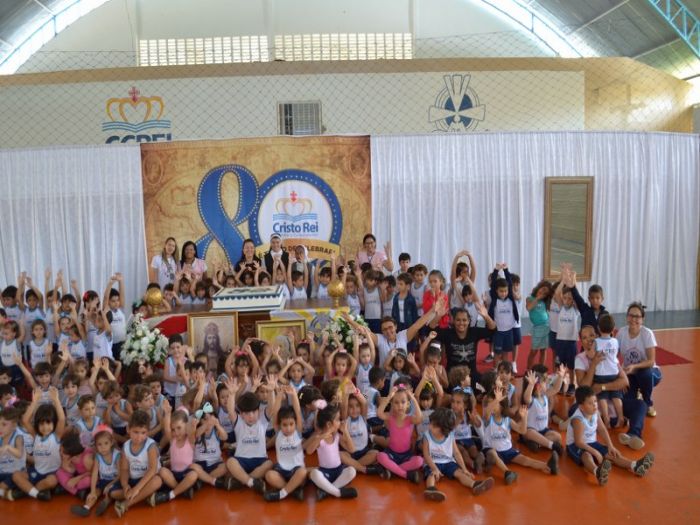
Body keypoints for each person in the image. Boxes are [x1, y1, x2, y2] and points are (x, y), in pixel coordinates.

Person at [574, 325, 648, 450]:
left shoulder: (608, 354)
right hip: (595, 405)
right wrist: (594, 364)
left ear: (597, 336)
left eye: (592, 335)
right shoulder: (580, 359)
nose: (589, 339)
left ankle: (632, 435)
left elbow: (624, 381)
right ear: (581, 341)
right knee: (577, 410)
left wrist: (602, 387)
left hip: (614, 400)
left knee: (641, 405)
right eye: (585, 337)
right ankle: (610, 421)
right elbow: (584, 387)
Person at [567, 386, 654, 486]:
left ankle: (635, 466)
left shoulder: (595, 412)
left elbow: (602, 429)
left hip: (592, 443)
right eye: (590, 403)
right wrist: (595, 452)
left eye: (595, 401)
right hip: (575, 446)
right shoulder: (578, 419)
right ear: (581, 407)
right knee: (587, 455)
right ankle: (597, 471)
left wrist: (610, 446)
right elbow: (578, 442)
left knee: (611, 453)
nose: (594, 405)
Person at [482, 386, 559, 484]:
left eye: (493, 403)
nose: (490, 405)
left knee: (526, 460)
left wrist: (524, 417)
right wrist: (496, 400)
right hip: (492, 451)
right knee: (493, 454)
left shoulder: (507, 420)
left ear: (501, 406)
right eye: (489, 403)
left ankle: (548, 466)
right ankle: (507, 472)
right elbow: (487, 411)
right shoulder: (488, 419)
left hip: (508, 450)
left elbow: (522, 431)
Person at [422, 407, 494, 502]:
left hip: (448, 462)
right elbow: (426, 454)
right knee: (431, 475)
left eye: (434, 425)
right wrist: (434, 468)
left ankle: (474, 484)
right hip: (432, 462)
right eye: (431, 423)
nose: (430, 426)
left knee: (460, 473)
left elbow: (456, 453)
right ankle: (431, 489)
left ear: (444, 429)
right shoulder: (427, 436)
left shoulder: (450, 436)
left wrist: (464, 469)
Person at [8, 387, 64, 501]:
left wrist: (56, 400)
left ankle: (27, 491)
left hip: (51, 473)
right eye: (41, 424)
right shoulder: (36, 435)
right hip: (36, 471)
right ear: (37, 424)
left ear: (54, 423)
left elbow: (62, 419)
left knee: (52, 481)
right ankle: (38, 493)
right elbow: (25, 420)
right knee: (16, 475)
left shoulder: (56, 436)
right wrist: (35, 401)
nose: (45, 427)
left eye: (48, 423)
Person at [109, 410, 163, 517]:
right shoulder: (126, 446)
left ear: (147, 432)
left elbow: (152, 470)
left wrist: (136, 489)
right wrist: (125, 486)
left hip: (147, 479)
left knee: (157, 481)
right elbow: (124, 469)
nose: (139, 437)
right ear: (128, 429)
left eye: (143, 433)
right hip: (133, 480)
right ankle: (145, 495)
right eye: (136, 432)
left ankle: (126, 504)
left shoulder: (150, 446)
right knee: (113, 493)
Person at [616, 302, 661, 417]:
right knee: (626, 401)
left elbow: (651, 361)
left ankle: (648, 402)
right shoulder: (621, 333)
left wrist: (634, 366)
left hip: (650, 372)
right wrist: (621, 375)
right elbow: (614, 357)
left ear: (642, 319)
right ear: (627, 317)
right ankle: (637, 395)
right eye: (631, 315)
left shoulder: (647, 334)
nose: (633, 319)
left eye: (637, 316)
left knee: (644, 374)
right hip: (630, 374)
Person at [264, 385, 308, 501]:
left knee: (303, 472)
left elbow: (297, 412)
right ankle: (292, 490)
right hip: (282, 470)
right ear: (279, 425)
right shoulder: (278, 433)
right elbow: (275, 413)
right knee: (269, 475)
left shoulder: (297, 432)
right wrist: (279, 395)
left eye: (291, 424)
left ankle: (282, 493)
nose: (288, 428)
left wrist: (293, 395)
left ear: (295, 423)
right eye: (284, 425)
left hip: (296, 469)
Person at [306, 403, 358, 500]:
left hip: (338, 471)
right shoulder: (319, 438)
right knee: (314, 474)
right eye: (338, 419)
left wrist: (346, 432)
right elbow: (309, 451)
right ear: (329, 424)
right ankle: (337, 492)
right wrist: (319, 438)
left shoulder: (337, 436)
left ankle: (326, 491)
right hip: (325, 472)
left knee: (352, 471)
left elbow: (352, 449)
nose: (340, 421)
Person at [431, 306, 496, 384]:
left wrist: (486, 316)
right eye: (458, 320)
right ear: (453, 321)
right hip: (452, 377)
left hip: (471, 376)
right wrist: (438, 316)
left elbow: (493, 330)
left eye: (464, 320)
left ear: (469, 321)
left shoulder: (474, 332)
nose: (461, 323)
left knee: (487, 386)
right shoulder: (448, 334)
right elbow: (431, 330)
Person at [376, 384, 424, 482]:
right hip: (391, 454)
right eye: (396, 403)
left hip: (406, 456)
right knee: (380, 456)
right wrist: (389, 396)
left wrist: (413, 399)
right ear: (392, 405)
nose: (400, 406)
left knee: (420, 461)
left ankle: (392, 469)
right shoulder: (390, 417)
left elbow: (420, 418)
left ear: (408, 404)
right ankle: (405, 475)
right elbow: (379, 413)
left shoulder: (410, 419)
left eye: (403, 402)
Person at [593, 314, 624, 428]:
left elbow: (593, 355)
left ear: (598, 328)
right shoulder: (615, 341)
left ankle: (606, 418)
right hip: (614, 372)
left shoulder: (596, 341)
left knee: (602, 397)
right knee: (616, 396)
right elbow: (616, 354)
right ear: (613, 329)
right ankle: (621, 416)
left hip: (601, 373)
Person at [487, 264, 519, 370]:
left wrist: (506, 270)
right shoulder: (495, 299)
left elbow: (509, 282)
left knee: (506, 352)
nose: (504, 293)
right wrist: (496, 270)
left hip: (509, 331)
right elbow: (493, 284)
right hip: (498, 332)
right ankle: (496, 370)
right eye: (501, 291)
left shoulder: (510, 298)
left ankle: (504, 370)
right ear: (496, 291)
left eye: (505, 291)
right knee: (497, 353)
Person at [526, 281, 552, 370]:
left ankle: (541, 370)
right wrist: (537, 298)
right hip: (537, 328)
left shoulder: (544, 301)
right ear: (539, 287)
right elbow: (529, 307)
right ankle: (529, 370)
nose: (543, 293)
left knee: (543, 350)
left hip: (546, 326)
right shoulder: (530, 298)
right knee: (533, 351)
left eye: (545, 293)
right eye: (543, 289)